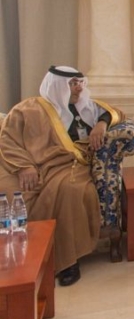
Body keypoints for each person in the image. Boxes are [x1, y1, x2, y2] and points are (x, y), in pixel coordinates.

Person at [0, 66, 125, 286]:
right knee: (16, 194)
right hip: (33, 165)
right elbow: (7, 140)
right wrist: (24, 167)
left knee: (71, 190)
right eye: (72, 84)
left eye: (80, 83)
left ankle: (68, 261)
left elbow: (115, 112)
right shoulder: (28, 109)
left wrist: (101, 124)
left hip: (70, 165)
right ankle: (26, 258)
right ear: (57, 85)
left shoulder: (86, 107)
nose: (78, 88)